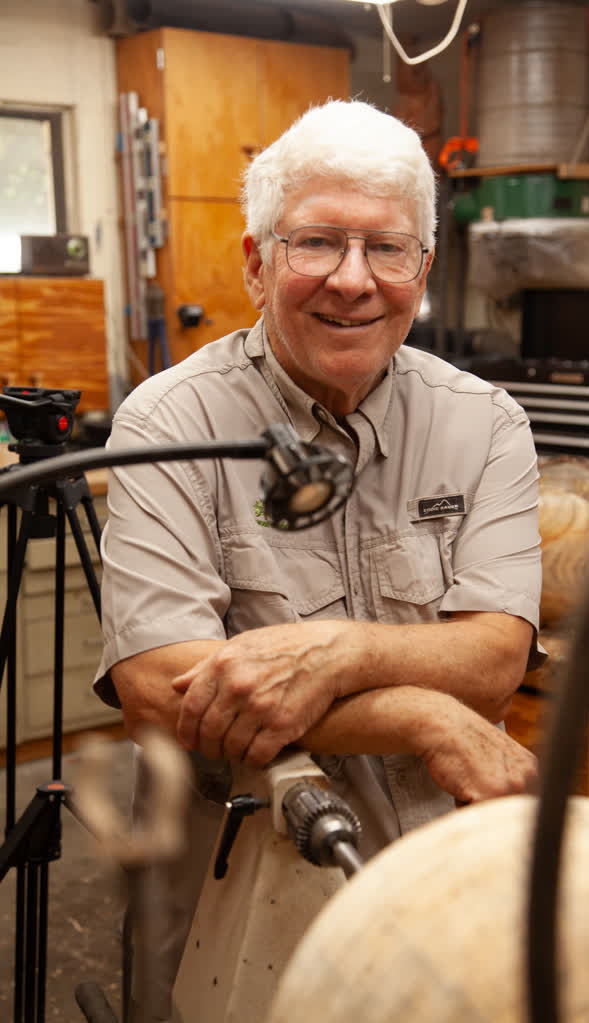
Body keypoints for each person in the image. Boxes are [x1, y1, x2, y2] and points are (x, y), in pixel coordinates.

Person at [94, 99, 545, 1022]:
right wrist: (422, 709)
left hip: (423, 888)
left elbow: (495, 655)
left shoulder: (487, 424)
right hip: (228, 897)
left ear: (423, 268)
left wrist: (335, 654)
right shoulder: (165, 425)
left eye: (388, 249)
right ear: (257, 264)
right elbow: (158, 684)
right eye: (317, 244)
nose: (354, 281)